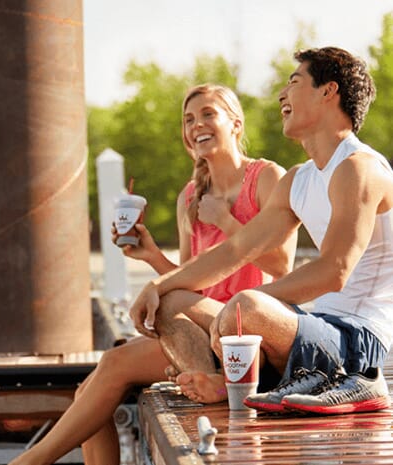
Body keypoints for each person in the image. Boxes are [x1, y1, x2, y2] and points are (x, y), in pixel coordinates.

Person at [8, 84, 296, 465]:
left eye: (209, 114)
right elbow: (190, 281)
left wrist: (225, 220)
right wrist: (151, 255)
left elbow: (280, 265)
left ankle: (32, 461)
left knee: (112, 367)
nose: (197, 125)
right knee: (88, 394)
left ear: (236, 123)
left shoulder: (266, 178)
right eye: (189, 119)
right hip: (198, 336)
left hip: (248, 340)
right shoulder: (189, 197)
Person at [132, 46, 393, 415]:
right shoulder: (299, 179)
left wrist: (244, 305)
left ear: (328, 91)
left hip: (356, 342)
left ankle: (231, 381)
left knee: (249, 305)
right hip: (313, 329)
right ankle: (216, 382)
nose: (281, 95)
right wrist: (159, 284)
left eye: (294, 82)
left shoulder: (358, 167)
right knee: (173, 301)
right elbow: (236, 250)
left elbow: (334, 271)